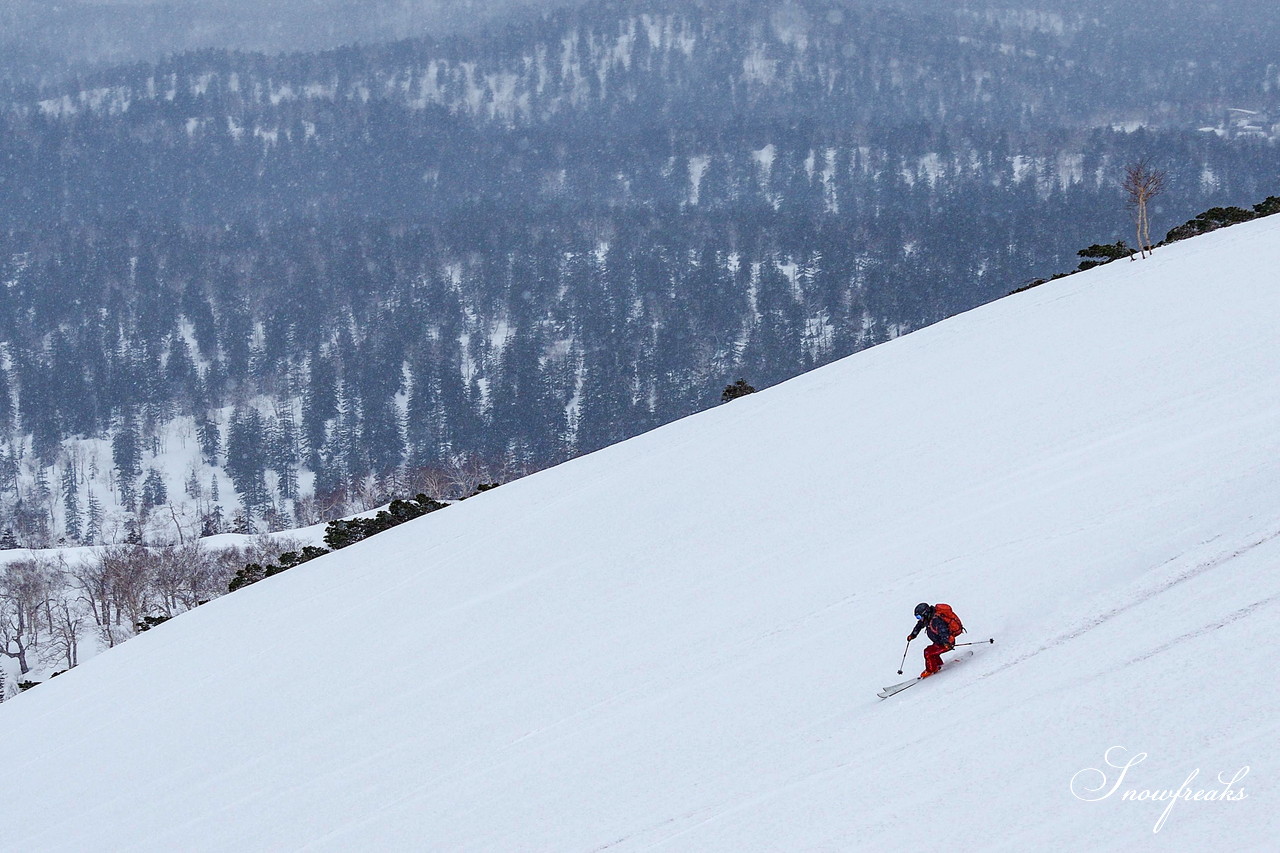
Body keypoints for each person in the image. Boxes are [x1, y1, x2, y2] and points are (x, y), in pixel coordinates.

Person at [908, 602, 964, 678]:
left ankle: (931, 670)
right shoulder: (928, 618)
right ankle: (938, 665)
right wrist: (913, 634)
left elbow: (943, 631)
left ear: (925, 613)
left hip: (947, 643)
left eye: (919, 617)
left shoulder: (936, 620)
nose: (920, 619)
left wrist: (946, 642)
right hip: (939, 642)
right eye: (918, 617)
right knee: (932, 651)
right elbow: (919, 625)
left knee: (928, 652)